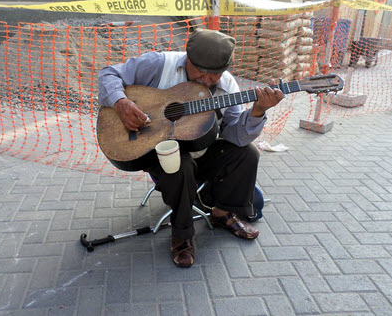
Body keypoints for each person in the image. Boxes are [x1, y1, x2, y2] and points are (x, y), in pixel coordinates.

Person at [98, 28, 283, 267]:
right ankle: (182, 236)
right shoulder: (158, 64)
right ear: (188, 59)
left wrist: (257, 112)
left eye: (214, 75)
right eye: (201, 72)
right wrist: (121, 102)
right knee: (180, 164)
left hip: (200, 150)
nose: (207, 80)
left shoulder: (227, 87)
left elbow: (235, 136)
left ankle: (222, 213)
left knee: (247, 153)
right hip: (153, 150)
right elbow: (108, 74)